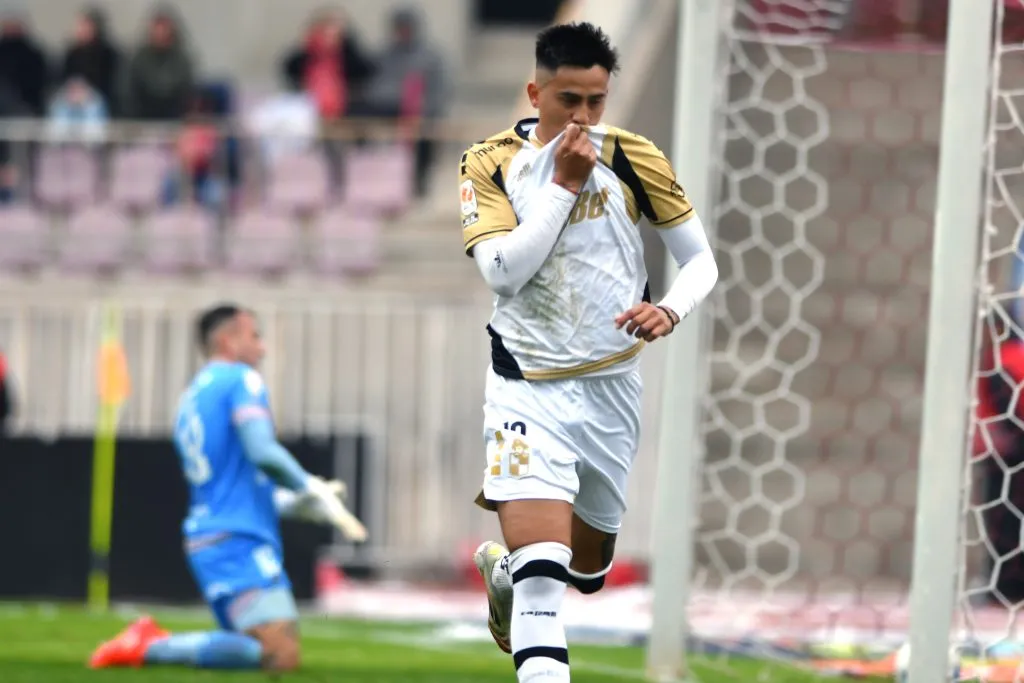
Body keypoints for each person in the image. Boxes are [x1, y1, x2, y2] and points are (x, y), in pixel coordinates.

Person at [459, 23, 718, 682]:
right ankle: (527, 576)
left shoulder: (634, 156)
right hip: (526, 385)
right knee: (549, 584)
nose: (581, 116)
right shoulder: (488, 163)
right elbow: (502, 273)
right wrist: (564, 185)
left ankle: (507, 572)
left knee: (587, 571)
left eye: (594, 101)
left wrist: (669, 307)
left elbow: (700, 262)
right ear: (534, 92)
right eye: (567, 99)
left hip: (610, 388)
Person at [89, 304, 366, 672]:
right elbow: (263, 452)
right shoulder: (240, 380)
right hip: (236, 539)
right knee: (277, 655)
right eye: (255, 336)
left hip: (215, 534)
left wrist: (288, 503)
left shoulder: (193, 395)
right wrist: (310, 486)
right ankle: (150, 646)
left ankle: (150, 645)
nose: (263, 348)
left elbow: (230, 480)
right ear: (228, 340)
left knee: (262, 651)